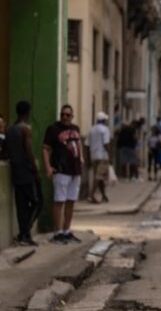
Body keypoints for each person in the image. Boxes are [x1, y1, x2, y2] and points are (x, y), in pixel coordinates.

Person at [43, 104, 83, 244]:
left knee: (71, 201)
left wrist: (81, 159)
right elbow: (46, 149)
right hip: (61, 170)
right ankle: (58, 232)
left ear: (72, 116)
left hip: (75, 170)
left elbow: (79, 144)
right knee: (59, 200)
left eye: (68, 115)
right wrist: (48, 167)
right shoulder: (53, 129)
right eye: (63, 114)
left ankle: (67, 231)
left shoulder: (75, 128)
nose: (65, 117)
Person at [5, 101, 41, 246]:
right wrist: (35, 170)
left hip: (15, 171)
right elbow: (29, 152)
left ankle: (23, 234)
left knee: (21, 205)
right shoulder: (25, 129)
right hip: (26, 172)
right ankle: (25, 232)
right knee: (36, 201)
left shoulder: (9, 130)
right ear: (28, 112)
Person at [85, 112, 111, 203]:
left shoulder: (91, 130)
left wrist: (88, 159)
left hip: (93, 156)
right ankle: (91, 195)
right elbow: (106, 143)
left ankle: (104, 195)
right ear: (104, 120)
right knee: (98, 176)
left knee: (100, 176)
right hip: (103, 156)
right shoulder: (105, 129)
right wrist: (110, 156)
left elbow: (87, 145)